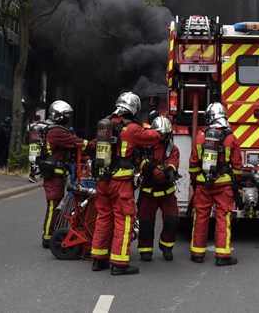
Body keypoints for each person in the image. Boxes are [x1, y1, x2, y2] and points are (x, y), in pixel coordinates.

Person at [90, 91, 163, 276]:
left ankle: (98, 259)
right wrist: (157, 128)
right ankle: (119, 263)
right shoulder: (131, 129)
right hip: (120, 182)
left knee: (104, 219)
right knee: (125, 220)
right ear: (135, 109)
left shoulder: (105, 124)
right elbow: (154, 138)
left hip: (103, 180)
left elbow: (93, 145)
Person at [188, 102, 243, 267]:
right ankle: (222, 255)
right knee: (222, 218)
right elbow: (237, 166)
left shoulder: (200, 137)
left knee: (200, 217)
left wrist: (196, 180)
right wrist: (237, 183)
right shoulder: (230, 138)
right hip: (223, 185)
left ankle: (197, 253)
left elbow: (193, 163)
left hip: (203, 185)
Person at [39, 101, 87, 249]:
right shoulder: (56, 132)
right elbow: (74, 142)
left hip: (58, 173)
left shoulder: (58, 129)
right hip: (54, 174)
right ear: (58, 115)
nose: (68, 117)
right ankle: (47, 237)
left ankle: (50, 233)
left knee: (56, 204)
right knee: (53, 205)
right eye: (66, 114)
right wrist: (92, 144)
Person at [136, 116, 180, 262]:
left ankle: (166, 246)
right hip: (148, 192)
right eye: (160, 134)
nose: (162, 137)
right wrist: (152, 168)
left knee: (172, 220)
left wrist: (169, 171)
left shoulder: (172, 148)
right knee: (146, 222)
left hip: (167, 192)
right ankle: (145, 249)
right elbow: (139, 163)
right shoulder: (145, 146)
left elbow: (173, 161)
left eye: (165, 134)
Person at [26, 114, 44, 183]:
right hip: (38, 145)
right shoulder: (41, 126)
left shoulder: (29, 126)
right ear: (39, 120)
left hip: (31, 144)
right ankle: (32, 175)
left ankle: (33, 173)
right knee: (37, 160)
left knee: (32, 160)